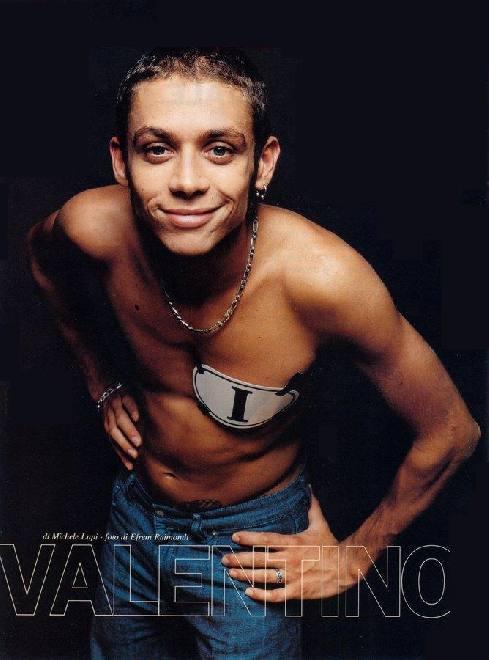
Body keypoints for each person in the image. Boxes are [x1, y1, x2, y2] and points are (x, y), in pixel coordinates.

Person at [27, 47, 480, 659]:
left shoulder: (324, 280)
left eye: (220, 149)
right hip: (134, 514)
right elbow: (43, 263)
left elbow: (451, 431)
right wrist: (101, 381)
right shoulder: (90, 227)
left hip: (250, 546)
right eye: (157, 149)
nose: (188, 181)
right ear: (121, 161)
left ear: (262, 163)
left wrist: (354, 558)